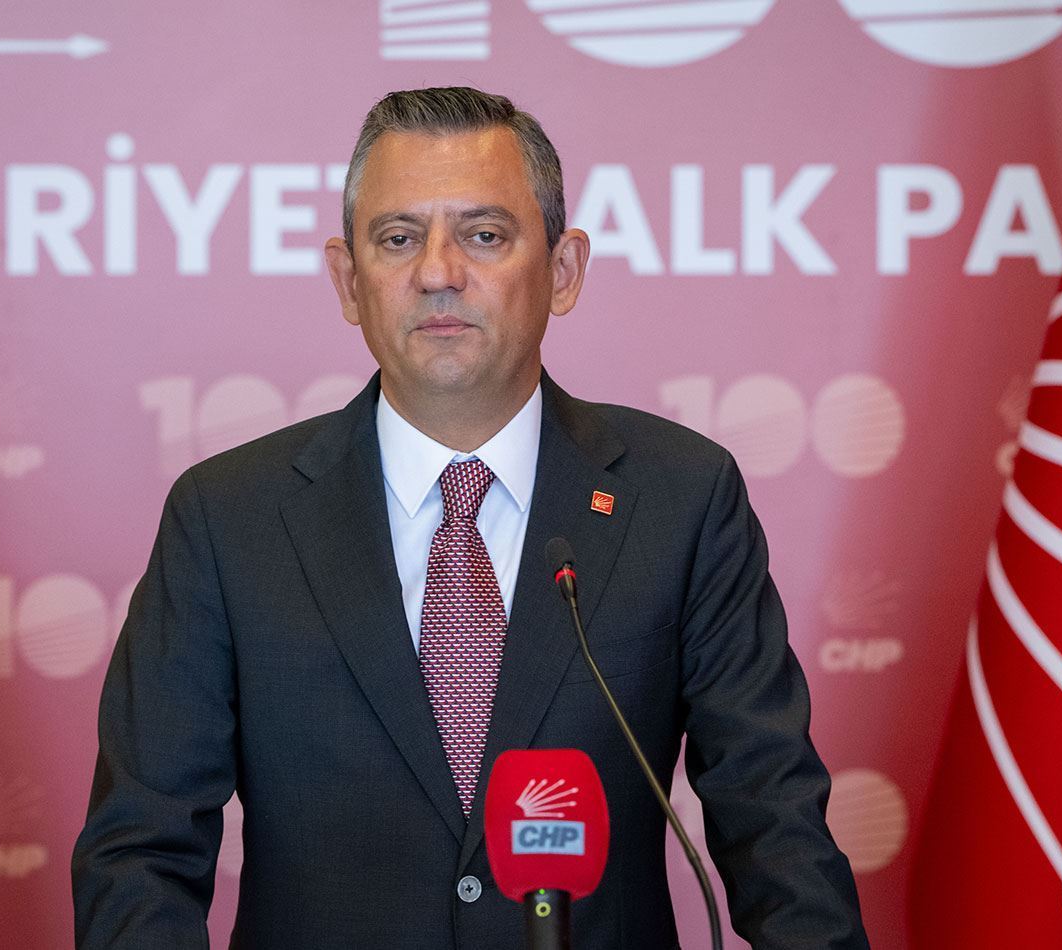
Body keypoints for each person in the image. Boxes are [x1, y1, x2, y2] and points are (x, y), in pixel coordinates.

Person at [72, 87, 867, 949]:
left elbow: (775, 819)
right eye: (398, 238)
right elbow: (140, 855)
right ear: (349, 281)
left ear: (563, 271)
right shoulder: (228, 519)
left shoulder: (681, 498)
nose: (438, 271)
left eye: (484, 235)